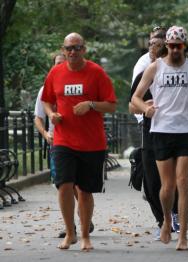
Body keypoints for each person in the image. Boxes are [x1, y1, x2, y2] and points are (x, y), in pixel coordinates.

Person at [132, 25, 188, 250]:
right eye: (172, 46)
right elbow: (136, 97)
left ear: (185, 46)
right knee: (167, 186)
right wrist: (145, 109)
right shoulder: (154, 68)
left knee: (183, 182)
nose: (176, 50)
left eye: (179, 46)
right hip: (161, 131)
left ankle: (183, 235)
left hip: (187, 131)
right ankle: (167, 220)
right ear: (166, 46)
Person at [42, 32, 117, 251]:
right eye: (68, 48)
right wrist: (51, 115)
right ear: (63, 51)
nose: (72, 52)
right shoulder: (56, 72)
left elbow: (111, 105)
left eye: (76, 48)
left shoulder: (96, 73)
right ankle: (70, 233)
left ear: (84, 50)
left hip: (92, 142)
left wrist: (91, 105)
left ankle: (85, 236)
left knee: (85, 191)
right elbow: (47, 100)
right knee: (64, 186)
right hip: (63, 140)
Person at [34, 53, 94, 239]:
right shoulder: (45, 90)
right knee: (64, 184)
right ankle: (72, 227)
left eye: (63, 63)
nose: (60, 66)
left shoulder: (79, 84)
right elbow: (38, 117)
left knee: (78, 184)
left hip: (81, 141)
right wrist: (45, 133)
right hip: (58, 143)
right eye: (57, 64)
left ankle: (82, 220)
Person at [130, 29, 180, 241]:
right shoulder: (144, 73)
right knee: (151, 182)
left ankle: (174, 219)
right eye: (151, 46)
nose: (154, 50)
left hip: (175, 132)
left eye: (159, 47)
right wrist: (144, 108)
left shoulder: (179, 71)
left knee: (173, 180)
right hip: (150, 131)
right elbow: (132, 105)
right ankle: (162, 221)